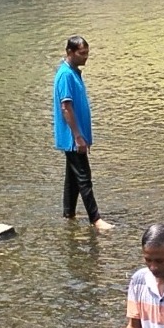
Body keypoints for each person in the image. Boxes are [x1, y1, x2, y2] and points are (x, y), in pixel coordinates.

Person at [52, 35, 114, 231]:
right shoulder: (65, 75)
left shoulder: (74, 72)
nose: (86, 57)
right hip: (73, 137)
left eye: (87, 53)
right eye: (82, 53)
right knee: (84, 177)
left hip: (77, 136)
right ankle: (95, 219)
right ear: (70, 52)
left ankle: (68, 213)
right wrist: (78, 136)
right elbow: (66, 107)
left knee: (73, 177)